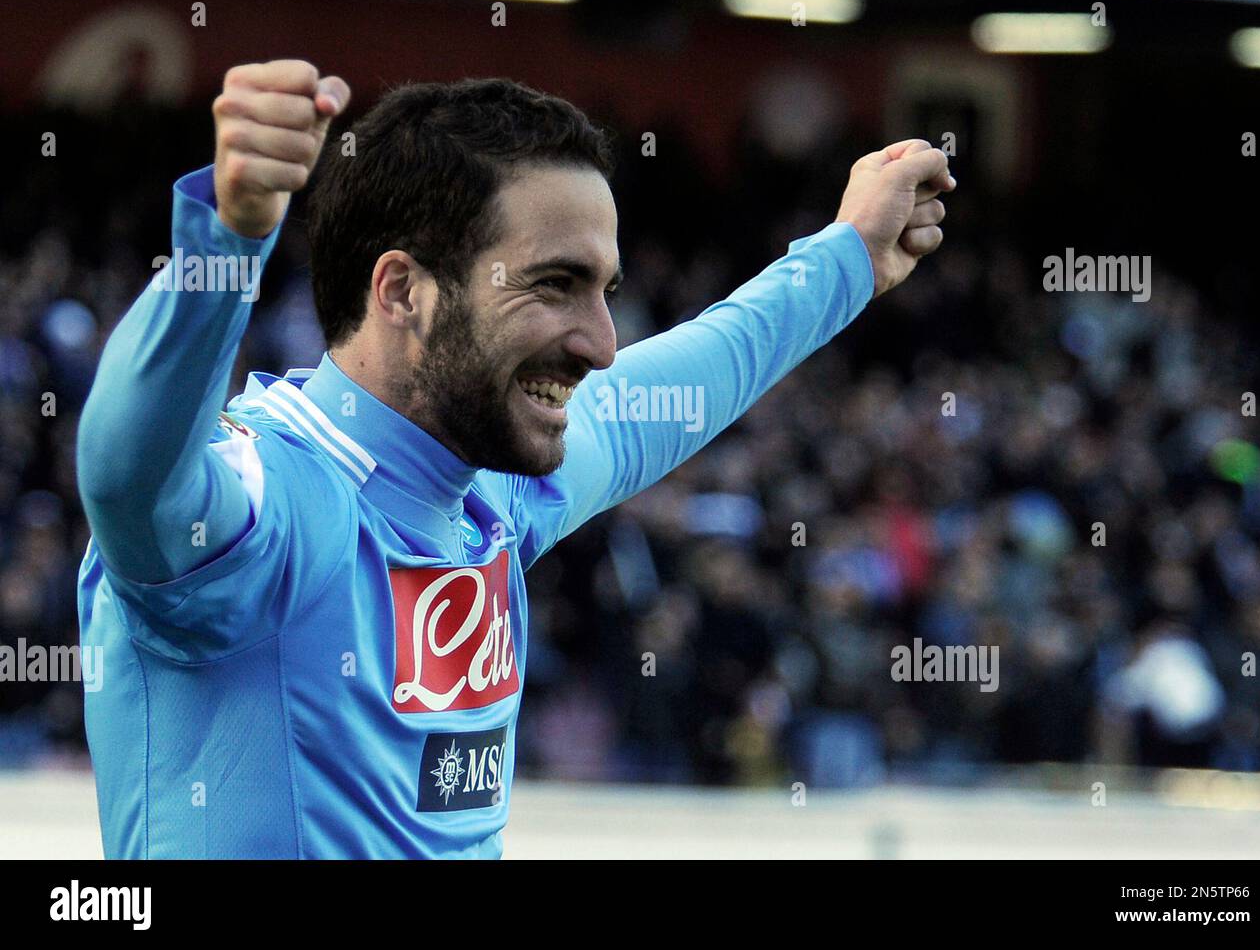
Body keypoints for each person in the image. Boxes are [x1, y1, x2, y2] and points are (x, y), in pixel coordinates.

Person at [76, 59, 954, 858]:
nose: (603, 343)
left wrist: (849, 258)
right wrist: (226, 243)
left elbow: (681, 382)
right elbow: (126, 469)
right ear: (403, 292)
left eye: (604, 291)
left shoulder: (492, 485)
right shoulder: (262, 508)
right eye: (555, 284)